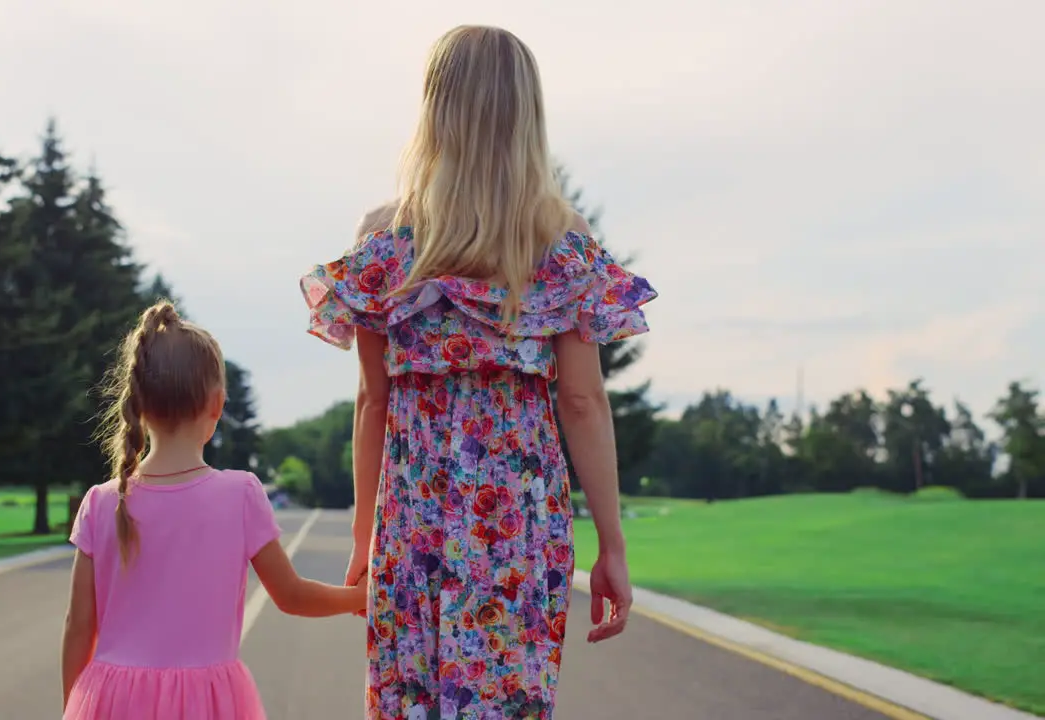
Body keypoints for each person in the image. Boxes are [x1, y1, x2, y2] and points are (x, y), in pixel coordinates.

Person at [300, 24, 658, 719]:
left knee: (410, 703)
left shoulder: (384, 238)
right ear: (526, 114)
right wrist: (611, 545)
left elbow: (373, 404)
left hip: (413, 518)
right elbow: (582, 403)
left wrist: (364, 540)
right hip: (518, 525)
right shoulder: (557, 238)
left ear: (435, 109)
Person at [61, 302, 368, 720]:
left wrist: (74, 708)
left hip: (112, 701)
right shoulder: (239, 494)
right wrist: (362, 597)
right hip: (204, 703)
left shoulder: (101, 501)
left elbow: (79, 628)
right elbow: (292, 596)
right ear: (218, 404)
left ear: (138, 403)